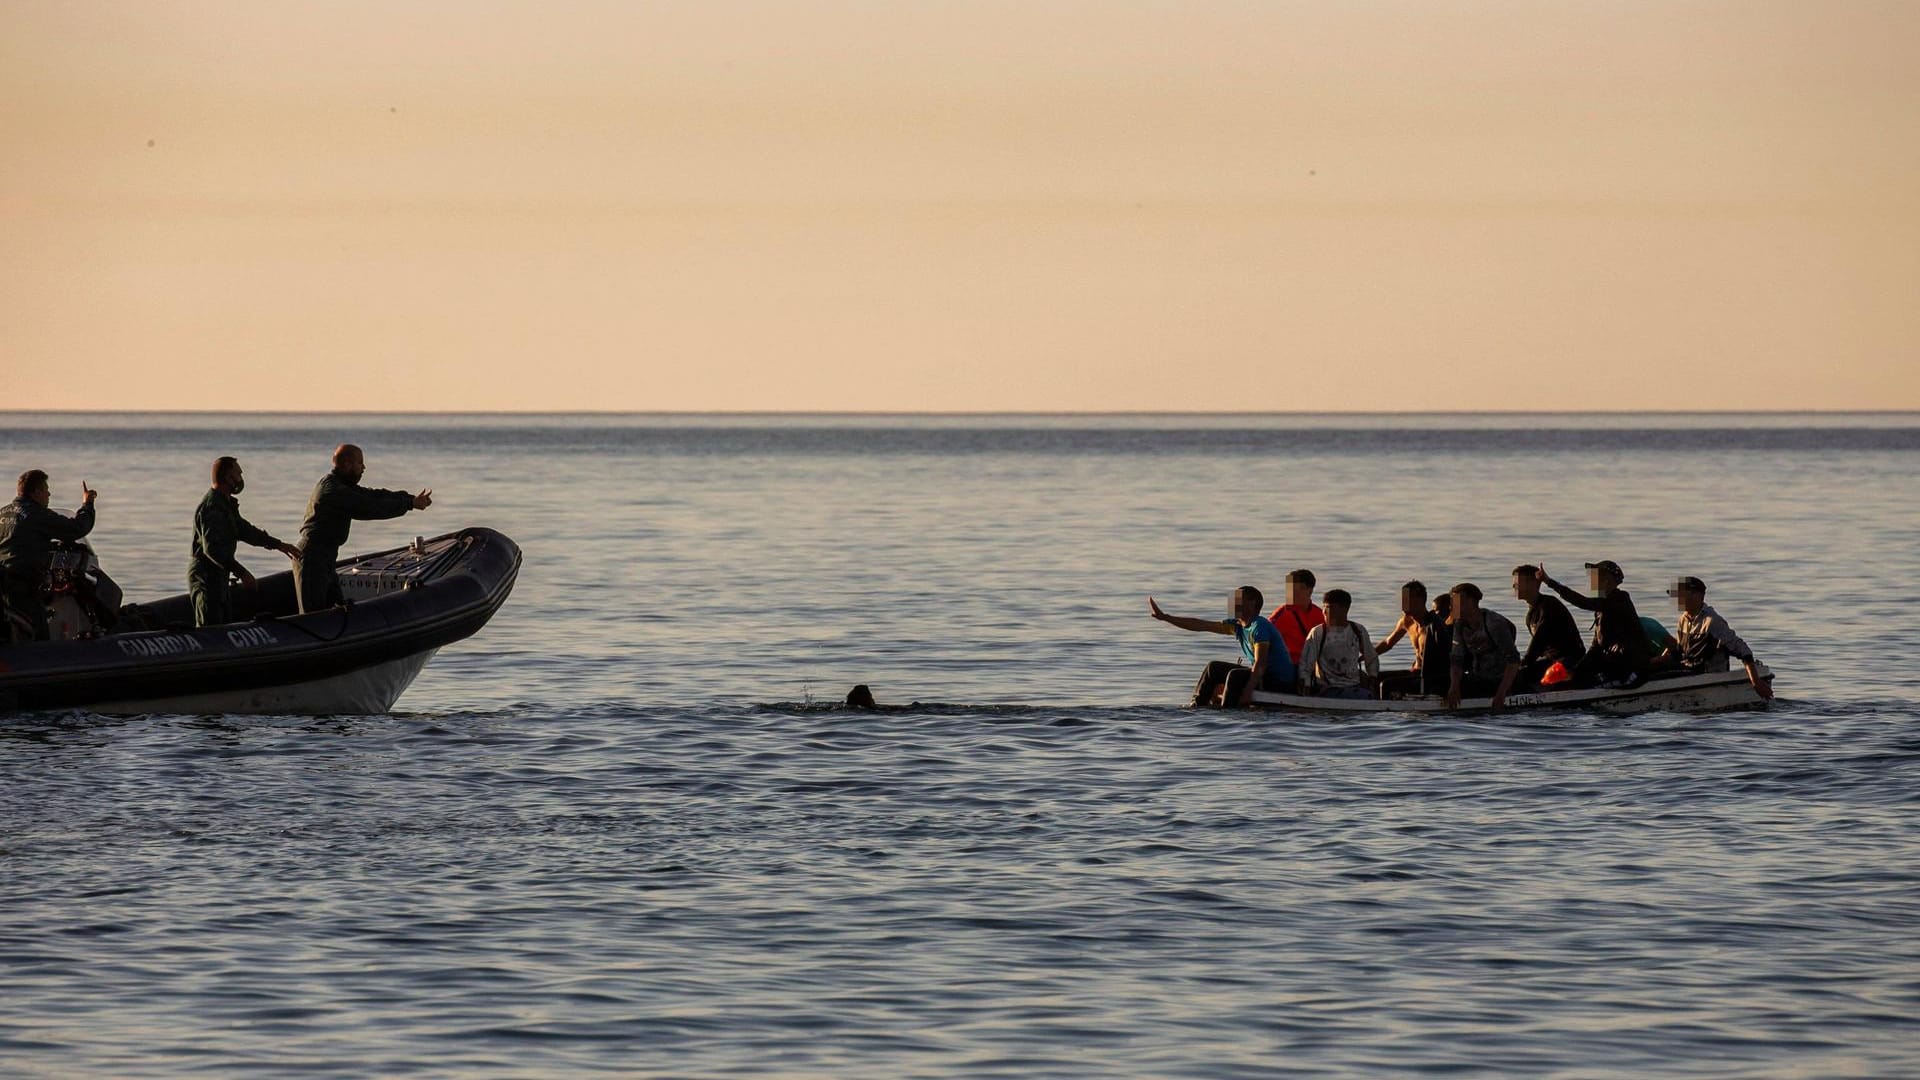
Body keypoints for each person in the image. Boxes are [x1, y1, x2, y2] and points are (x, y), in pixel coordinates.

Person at [295, 444, 432, 614]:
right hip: (312, 558)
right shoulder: (334, 490)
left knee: (335, 614)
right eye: (360, 463)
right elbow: (370, 507)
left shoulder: (341, 484)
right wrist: (409, 504)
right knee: (314, 618)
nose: (364, 468)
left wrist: (410, 499)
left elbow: (374, 495)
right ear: (347, 464)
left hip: (326, 558)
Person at [189, 457, 302, 627]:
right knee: (210, 627)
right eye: (239, 474)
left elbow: (245, 531)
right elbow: (212, 550)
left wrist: (278, 545)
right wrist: (242, 572)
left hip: (220, 576)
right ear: (228, 477)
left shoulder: (226, 504)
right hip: (206, 577)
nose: (241, 478)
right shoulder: (212, 507)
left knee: (224, 624)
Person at [1150, 586, 1297, 708]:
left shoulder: (1260, 627)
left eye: (1237, 600)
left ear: (1252, 604)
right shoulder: (1237, 626)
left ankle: (1228, 712)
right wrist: (1166, 617)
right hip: (1262, 676)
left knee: (1235, 675)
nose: (1232, 603)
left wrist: (1248, 692)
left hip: (1279, 681)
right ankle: (1196, 707)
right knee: (1213, 667)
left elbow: (1260, 663)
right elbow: (1202, 625)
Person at [0, 470, 97, 643]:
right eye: (46, 489)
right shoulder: (36, 514)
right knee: (40, 638)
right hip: (23, 589)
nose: (49, 494)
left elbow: (18, 542)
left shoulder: (3, 513)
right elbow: (76, 528)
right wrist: (87, 504)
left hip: (4, 588)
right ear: (36, 492)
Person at [1653, 576, 1772, 700]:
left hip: (1706, 676)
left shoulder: (1712, 621)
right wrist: (1654, 661)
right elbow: (1680, 653)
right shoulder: (1683, 619)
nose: (1676, 599)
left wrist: (1756, 682)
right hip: (1688, 671)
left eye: (1680, 595)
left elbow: (1743, 651)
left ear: (1696, 595)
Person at [1536, 560, 1651, 688]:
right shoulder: (1600, 609)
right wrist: (1575, 671)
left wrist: (1550, 582)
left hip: (1631, 669)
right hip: (1613, 665)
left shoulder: (1620, 600)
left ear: (1606, 580)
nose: (1591, 581)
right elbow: (1596, 647)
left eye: (1595, 577)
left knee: (1588, 686)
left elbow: (1583, 602)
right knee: (1572, 682)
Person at [1444, 582, 1522, 710]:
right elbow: (1456, 659)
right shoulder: (1459, 624)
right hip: (1479, 676)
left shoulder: (1494, 623)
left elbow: (1513, 661)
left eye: (1459, 602)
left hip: (1499, 680)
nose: (1454, 607)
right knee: (1440, 683)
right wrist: (1454, 686)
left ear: (1472, 602)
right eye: (1453, 603)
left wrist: (1501, 693)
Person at [1512, 563, 1587, 690]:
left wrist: (1522, 665)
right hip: (1549, 661)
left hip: (1569, 660)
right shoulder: (1530, 614)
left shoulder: (1549, 606)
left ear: (1534, 584)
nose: (1514, 586)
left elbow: (1538, 643)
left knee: (1522, 675)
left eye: (1518, 582)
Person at [1298, 589, 1378, 699]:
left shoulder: (1357, 631)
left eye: (1329, 608)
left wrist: (1372, 679)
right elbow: (1306, 664)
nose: (1324, 612)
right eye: (1324, 607)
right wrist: (1306, 688)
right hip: (1326, 690)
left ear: (1344, 609)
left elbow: (1371, 658)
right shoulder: (1318, 632)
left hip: (1353, 687)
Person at [1375, 580, 1450, 696]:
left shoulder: (1434, 624)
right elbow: (1388, 643)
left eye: (1407, 599)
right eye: (1402, 599)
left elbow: (1447, 654)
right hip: (1414, 672)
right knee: (1374, 677)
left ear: (1420, 600)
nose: (1402, 604)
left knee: (1386, 685)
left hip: (1430, 677)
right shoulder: (1406, 621)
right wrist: (1368, 655)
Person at [1267, 568, 1324, 664]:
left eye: (1294, 590)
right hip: (1288, 665)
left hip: (1314, 665)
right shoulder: (1282, 614)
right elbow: (1264, 640)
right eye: (1288, 589)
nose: (1290, 594)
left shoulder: (1320, 614)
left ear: (1309, 591)